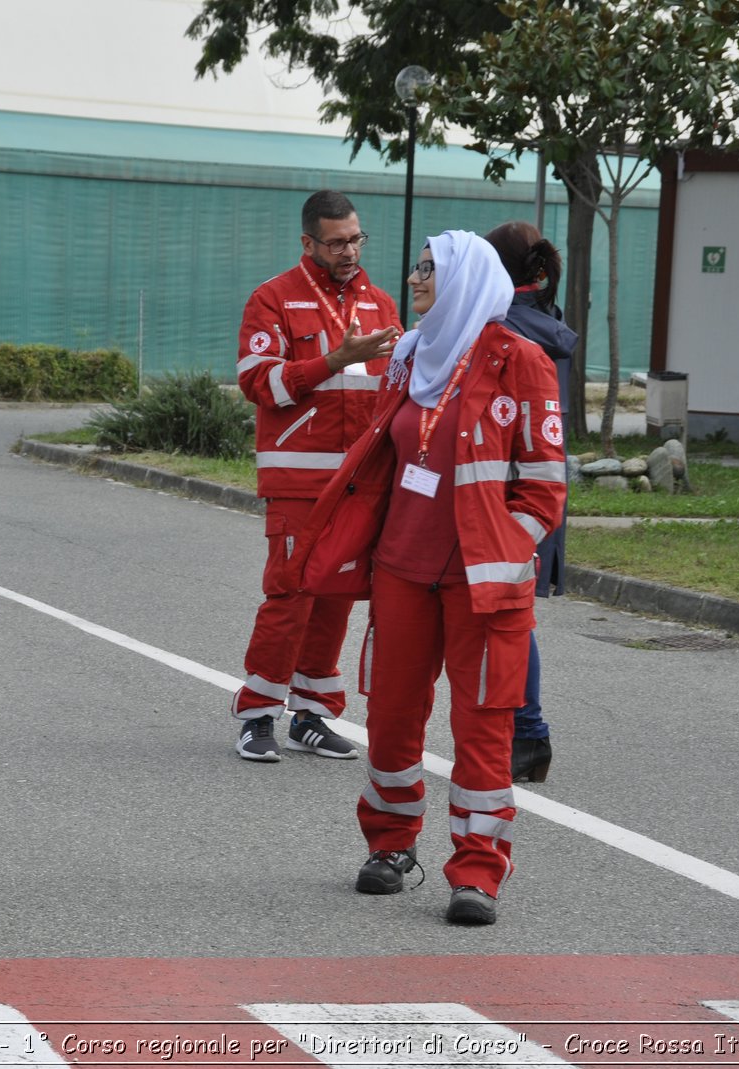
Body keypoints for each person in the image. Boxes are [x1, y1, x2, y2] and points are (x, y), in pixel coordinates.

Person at [289, 231, 566, 924]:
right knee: (390, 716)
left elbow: (544, 487)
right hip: (401, 573)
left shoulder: (521, 361)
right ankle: (389, 847)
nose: (414, 277)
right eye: (415, 265)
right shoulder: (409, 357)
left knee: (483, 728)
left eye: (429, 268)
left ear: (467, 278)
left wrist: (507, 548)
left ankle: (477, 871)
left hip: (484, 584)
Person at [230, 190, 402, 762]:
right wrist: (332, 359)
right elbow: (259, 383)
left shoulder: (381, 305)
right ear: (309, 242)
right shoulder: (273, 299)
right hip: (299, 484)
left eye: (356, 238)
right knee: (291, 594)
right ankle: (257, 715)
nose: (349, 250)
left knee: (338, 595)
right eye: (336, 242)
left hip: (362, 483)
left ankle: (312, 713)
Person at [485, 221, 579, 784]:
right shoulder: (549, 323)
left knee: (509, 615)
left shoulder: (500, 330)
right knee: (514, 613)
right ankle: (524, 731)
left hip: (505, 489)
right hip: (538, 486)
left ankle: (528, 733)